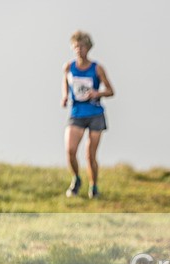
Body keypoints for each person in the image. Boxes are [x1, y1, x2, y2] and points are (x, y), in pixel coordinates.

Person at [61, 31, 114, 199]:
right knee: (70, 150)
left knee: (90, 155)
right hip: (77, 113)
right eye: (76, 46)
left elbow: (111, 91)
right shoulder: (69, 67)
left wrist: (97, 93)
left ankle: (94, 186)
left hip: (95, 114)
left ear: (88, 48)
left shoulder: (97, 68)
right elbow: (65, 81)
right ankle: (76, 179)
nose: (79, 50)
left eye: (82, 46)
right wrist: (65, 96)